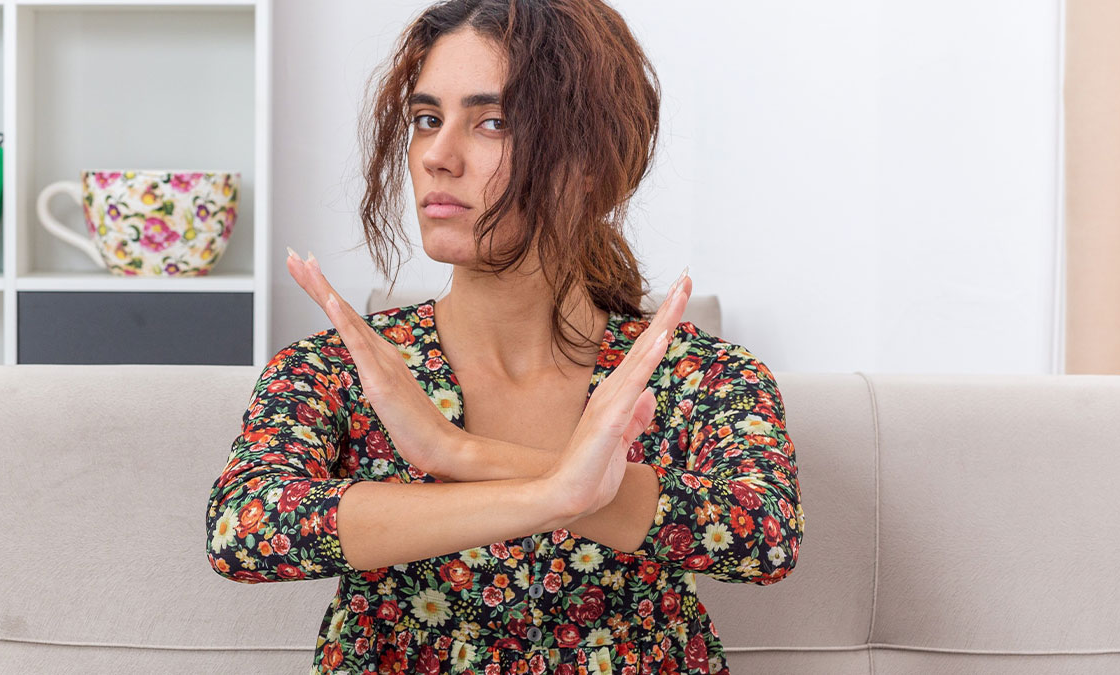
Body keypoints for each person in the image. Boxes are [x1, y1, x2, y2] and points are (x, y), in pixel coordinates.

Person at [205, 1, 804, 672]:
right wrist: (554, 494)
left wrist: (453, 450)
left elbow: (764, 535)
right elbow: (246, 526)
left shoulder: (701, 375)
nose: (437, 155)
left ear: (592, 160)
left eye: (492, 122)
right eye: (427, 119)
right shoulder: (347, 367)